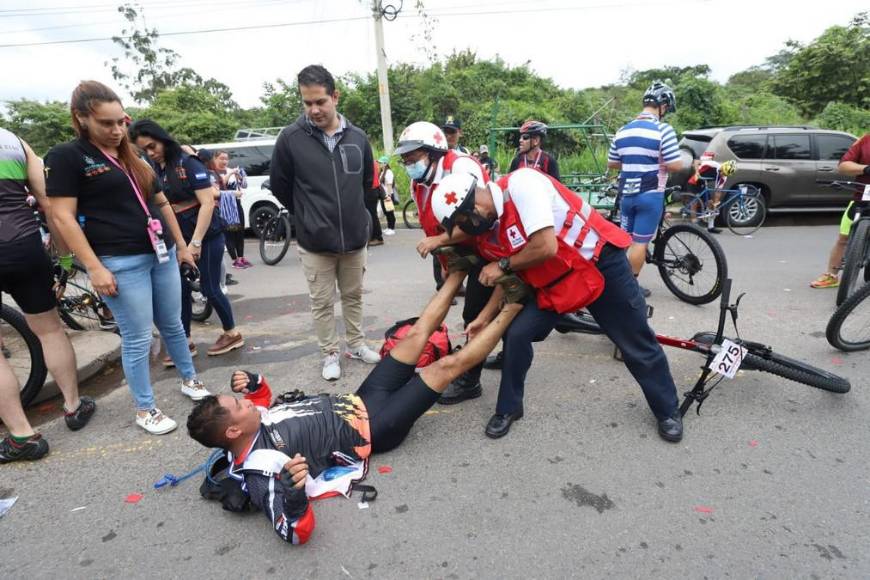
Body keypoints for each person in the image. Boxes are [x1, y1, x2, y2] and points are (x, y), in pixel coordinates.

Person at [186, 268, 525, 544]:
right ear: (232, 429)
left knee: (417, 333)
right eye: (237, 405)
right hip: (378, 427)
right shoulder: (262, 473)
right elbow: (293, 531)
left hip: (360, 398)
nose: (245, 402)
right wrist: (293, 495)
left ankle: (459, 269)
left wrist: (255, 382)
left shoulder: (244, 432)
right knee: (448, 366)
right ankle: (513, 305)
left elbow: (264, 406)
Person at [431, 169, 684, 442]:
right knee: (516, 335)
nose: (466, 227)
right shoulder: (491, 228)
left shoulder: (522, 185)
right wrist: (484, 316)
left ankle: (667, 410)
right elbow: (509, 279)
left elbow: (544, 247)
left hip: (600, 267)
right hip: (555, 285)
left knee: (635, 341)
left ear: (475, 205)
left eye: (463, 220)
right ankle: (509, 408)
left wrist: (502, 264)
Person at [46, 81, 210, 435]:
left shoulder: (131, 156)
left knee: (173, 324)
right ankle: (145, 408)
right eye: (107, 123)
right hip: (118, 260)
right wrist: (94, 267)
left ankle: (190, 379)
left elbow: (161, 202)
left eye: (121, 121)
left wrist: (182, 245)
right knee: (137, 337)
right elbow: (62, 217)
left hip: (160, 253)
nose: (117, 130)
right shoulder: (67, 157)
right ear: (82, 118)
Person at [269, 65, 382, 381]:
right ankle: (330, 353)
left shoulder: (358, 138)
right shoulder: (291, 139)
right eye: (307, 103)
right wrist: (306, 215)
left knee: (354, 295)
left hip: (354, 240)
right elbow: (281, 185)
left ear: (335, 96)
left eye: (320, 101)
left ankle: (356, 344)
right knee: (321, 302)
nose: (314, 110)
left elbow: (366, 185)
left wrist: (362, 221)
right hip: (315, 242)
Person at [0, 127, 96, 463]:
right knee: (50, 329)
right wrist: (66, 258)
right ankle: (72, 406)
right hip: (23, 247)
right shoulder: (12, 141)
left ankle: (22, 436)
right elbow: (48, 202)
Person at [395, 120, 493, 403]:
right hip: (460, 251)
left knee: (476, 312)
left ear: (433, 152)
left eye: (413, 158)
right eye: (405, 160)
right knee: (482, 310)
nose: (409, 164)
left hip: (487, 247)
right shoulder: (420, 182)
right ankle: (496, 354)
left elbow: (481, 217)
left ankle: (470, 380)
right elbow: (434, 225)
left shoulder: (461, 168)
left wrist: (439, 242)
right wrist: (445, 258)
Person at [130, 120, 244, 359]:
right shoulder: (153, 166)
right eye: (145, 150)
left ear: (162, 138)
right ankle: (185, 342)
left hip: (206, 236)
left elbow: (206, 203)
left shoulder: (187, 162)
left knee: (210, 287)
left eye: (153, 146)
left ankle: (232, 333)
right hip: (177, 239)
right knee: (180, 290)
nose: (151, 152)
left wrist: (196, 243)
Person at [607, 82, 682, 295]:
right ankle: (630, 288)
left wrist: (633, 161)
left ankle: (619, 282)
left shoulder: (622, 130)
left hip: (627, 196)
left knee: (625, 241)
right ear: (663, 106)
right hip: (650, 195)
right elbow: (675, 164)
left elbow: (612, 162)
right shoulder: (663, 129)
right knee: (640, 243)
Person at [810, 133, 870, 289]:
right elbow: (844, 166)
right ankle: (831, 275)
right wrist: (866, 169)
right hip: (861, 198)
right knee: (843, 238)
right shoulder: (865, 140)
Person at [213, 150, 253, 269]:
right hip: (224, 206)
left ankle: (241, 257)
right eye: (221, 158)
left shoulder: (231, 170)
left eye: (226, 159)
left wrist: (239, 176)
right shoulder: (214, 173)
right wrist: (230, 174)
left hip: (237, 204)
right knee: (229, 233)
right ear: (215, 158)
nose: (224, 161)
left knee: (239, 231)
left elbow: (244, 185)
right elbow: (220, 186)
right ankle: (234, 259)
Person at [366, 158, 385, 246]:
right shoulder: (374, 161)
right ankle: (374, 236)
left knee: (372, 215)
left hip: (371, 190)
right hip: (374, 189)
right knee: (372, 214)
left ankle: (378, 237)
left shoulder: (368, 161)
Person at [379, 155, 398, 235]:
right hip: (384, 195)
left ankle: (392, 228)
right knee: (386, 212)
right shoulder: (382, 172)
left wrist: (389, 196)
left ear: (385, 163)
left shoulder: (389, 172)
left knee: (390, 212)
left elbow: (389, 185)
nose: (380, 164)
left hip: (388, 195)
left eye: (381, 163)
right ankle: (388, 227)